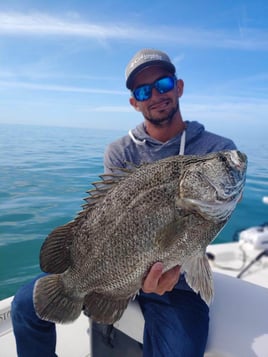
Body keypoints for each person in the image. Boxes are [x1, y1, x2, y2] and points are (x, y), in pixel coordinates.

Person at [11, 48, 236, 357]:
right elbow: (103, 221)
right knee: (24, 305)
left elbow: (201, 227)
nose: (155, 94)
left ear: (179, 86)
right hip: (109, 270)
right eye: (144, 90)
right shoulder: (119, 151)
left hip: (176, 280)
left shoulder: (217, 149)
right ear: (134, 102)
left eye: (163, 84)